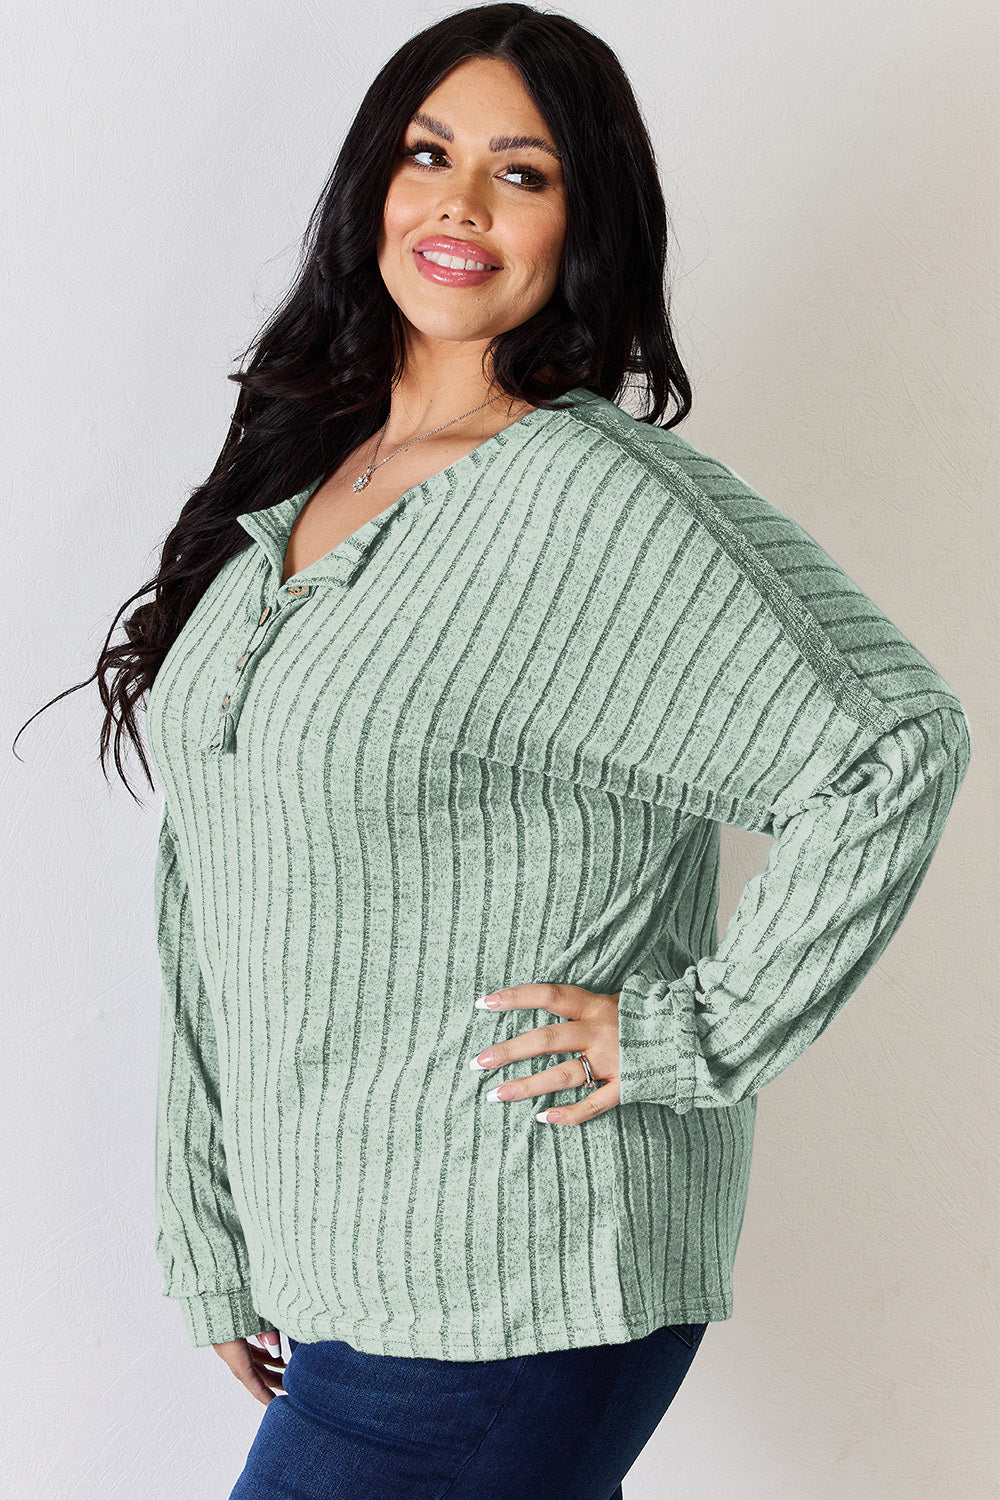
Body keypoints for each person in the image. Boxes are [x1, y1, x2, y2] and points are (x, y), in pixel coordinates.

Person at [17, 5, 970, 1497]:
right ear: (371, 191)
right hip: (355, 1278)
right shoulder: (312, 475)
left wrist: (683, 1036)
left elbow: (891, 745)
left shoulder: (589, 498)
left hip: (516, 1275)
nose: (461, 202)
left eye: (522, 174)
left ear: (584, 223)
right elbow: (218, 887)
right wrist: (205, 1219)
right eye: (428, 153)